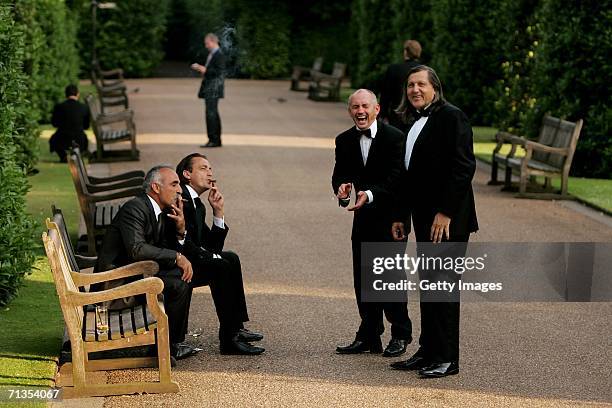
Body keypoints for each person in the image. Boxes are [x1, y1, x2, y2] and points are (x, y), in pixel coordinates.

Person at [389, 65, 478, 378]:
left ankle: (447, 358)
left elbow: (464, 167)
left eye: (421, 84)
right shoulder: (413, 121)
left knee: (443, 287)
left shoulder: (452, 116)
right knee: (429, 286)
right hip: (424, 218)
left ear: (435, 88)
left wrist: (446, 212)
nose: (414, 89)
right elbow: (407, 177)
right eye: (410, 85)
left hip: (449, 220)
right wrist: (401, 216)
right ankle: (428, 351)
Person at [332, 89, 412, 357]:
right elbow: (339, 175)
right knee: (364, 278)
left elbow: (398, 178)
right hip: (362, 218)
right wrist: (342, 190)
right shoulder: (343, 140)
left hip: (392, 219)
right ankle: (369, 334)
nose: (360, 111)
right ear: (350, 111)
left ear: (377, 109)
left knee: (390, 278)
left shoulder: (395, 137)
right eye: (355, 107)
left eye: (365, 105)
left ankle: (400, 334)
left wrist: (372, 194)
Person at [175, 152, 264, 355]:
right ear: (187, 174)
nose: (210, 173)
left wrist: (218, 212)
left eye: (211, 169)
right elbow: (186, 245)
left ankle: (237, 327)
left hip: (189, 259)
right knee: (221, 265)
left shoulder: (196, 202)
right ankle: (229, 340)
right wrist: (212, 258)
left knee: (230, 257)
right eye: (203, 168)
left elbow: (212, 246)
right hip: (177, 264)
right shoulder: (184, 201)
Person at [379, 40, 422, 133]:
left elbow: (385, 94)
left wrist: (382, 114)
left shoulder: (394, 69)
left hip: (397, 115)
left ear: (406, 51)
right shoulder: (425, 71)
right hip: (418, 115)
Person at [191, 33, 226, 148]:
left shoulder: (218, 54)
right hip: (211, 88)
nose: (206, 46)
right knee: (212, 113)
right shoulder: (214, 54)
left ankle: (214, 140)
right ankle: (215, 139)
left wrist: (204, 69)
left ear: (213, 41)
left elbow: (219, 72)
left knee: (211, 114)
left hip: (213, 89)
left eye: (207, 43)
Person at [49, 84, 90, 162]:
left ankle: (63, 156)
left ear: (65, 94)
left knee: (53, 139)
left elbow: (54, 123)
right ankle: (77, 156)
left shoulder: (59, 107)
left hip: (62, 138)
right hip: (80, 140)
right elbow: (86, 126)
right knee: (83, 137)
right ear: (78, 94)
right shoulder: (84, 107)